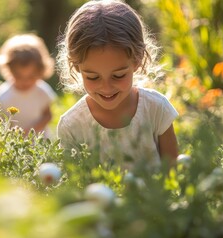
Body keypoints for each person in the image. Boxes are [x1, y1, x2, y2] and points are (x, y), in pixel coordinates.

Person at [56, 0, 178, 168]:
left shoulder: (156, 109)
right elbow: (73, 186)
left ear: (137, 60)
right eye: (93, 77)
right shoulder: (72, 125)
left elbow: (174, 172)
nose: (106, 88)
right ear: (76, 66)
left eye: (118, 75)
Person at [0, 33, 57, 138]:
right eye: (18, 76)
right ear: (9, 70)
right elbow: (1, 120)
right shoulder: (4, 94)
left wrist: (31, 130)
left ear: (40, 71)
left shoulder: (42, 91)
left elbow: (48, 115)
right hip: (14, 143)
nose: (25, 81)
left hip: (40, 142)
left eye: (31, 77)